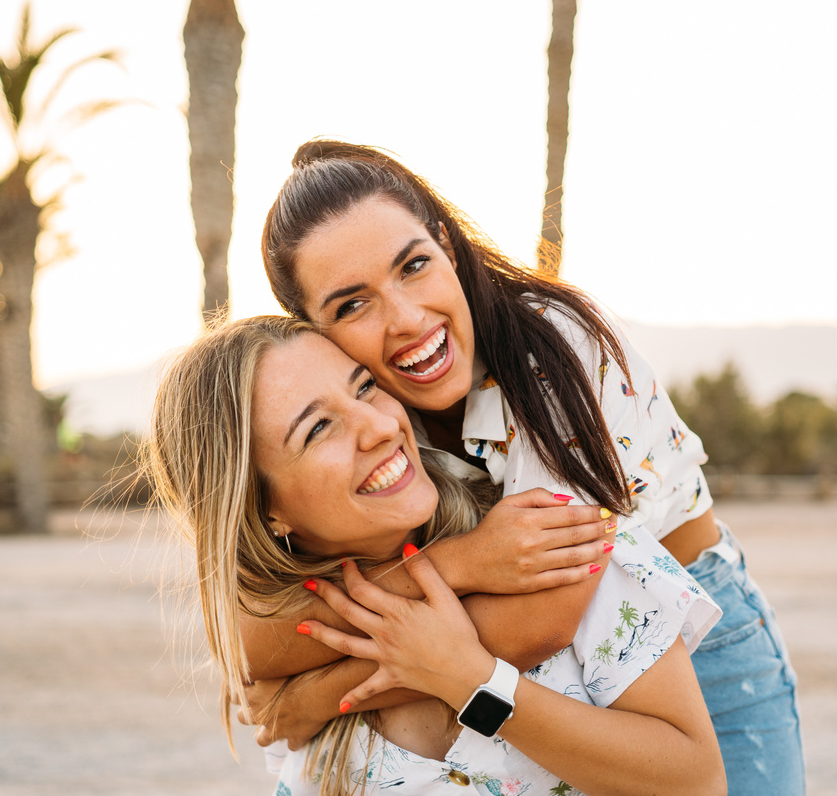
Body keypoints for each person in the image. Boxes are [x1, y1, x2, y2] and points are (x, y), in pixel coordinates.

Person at [253, 140, 805, 795]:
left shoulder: (558, 346)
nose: (405, 319)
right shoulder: (366, 413)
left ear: (446, 248)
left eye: (414, 266)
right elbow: (260, 644)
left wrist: (320, 695)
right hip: (524, 672)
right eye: (352, 304)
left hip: (693, 636)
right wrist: (464, 566)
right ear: (313, 332)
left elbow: (547, 613)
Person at [144, 315, 725, 796]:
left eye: (364, 386)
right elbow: (246, 639)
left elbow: (696, 783)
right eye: (318, 428)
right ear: (264, 510)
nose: (378, 425)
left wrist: (473, 682)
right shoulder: (286, 672)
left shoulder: (550, 542)